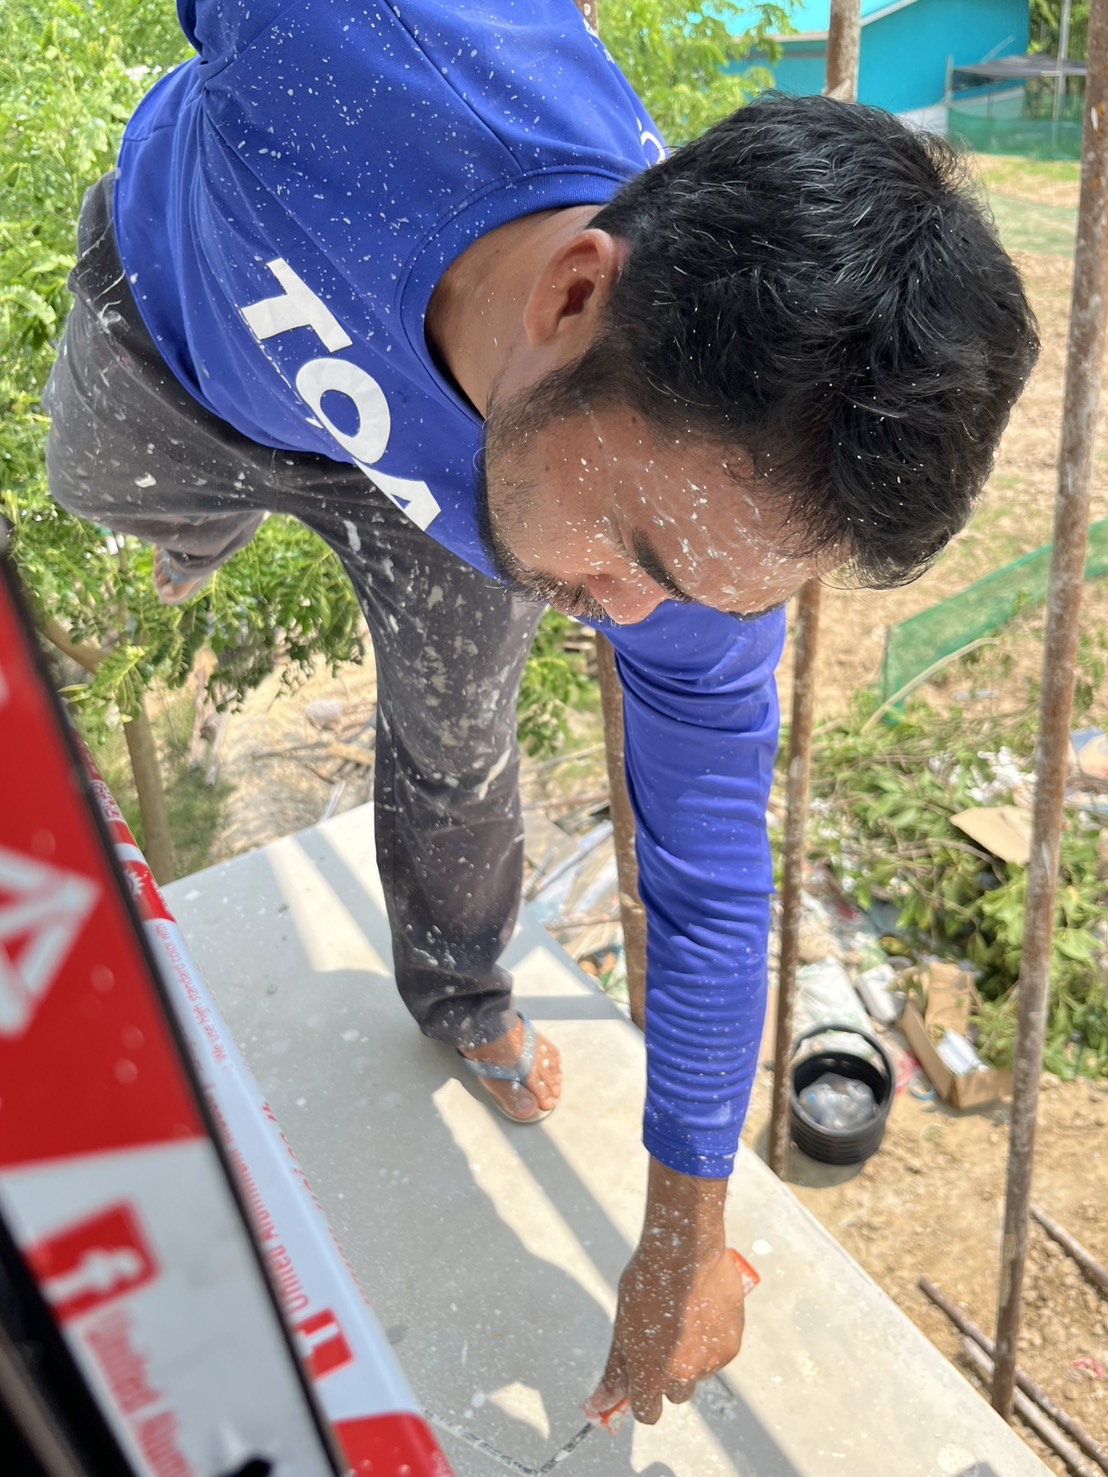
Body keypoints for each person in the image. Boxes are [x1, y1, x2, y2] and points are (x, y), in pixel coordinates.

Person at [42, 0, 1039, 1428]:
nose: (627, 619)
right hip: (184, 358)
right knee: (102, 493)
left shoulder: (681, 558)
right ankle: (199, 532)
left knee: (460, 748)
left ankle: (460, 996)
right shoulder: (359, 40)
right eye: (638, 546)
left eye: (685, 591)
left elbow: (707, 882)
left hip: (458, 501)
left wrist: (686, 1230)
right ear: (574, 295)